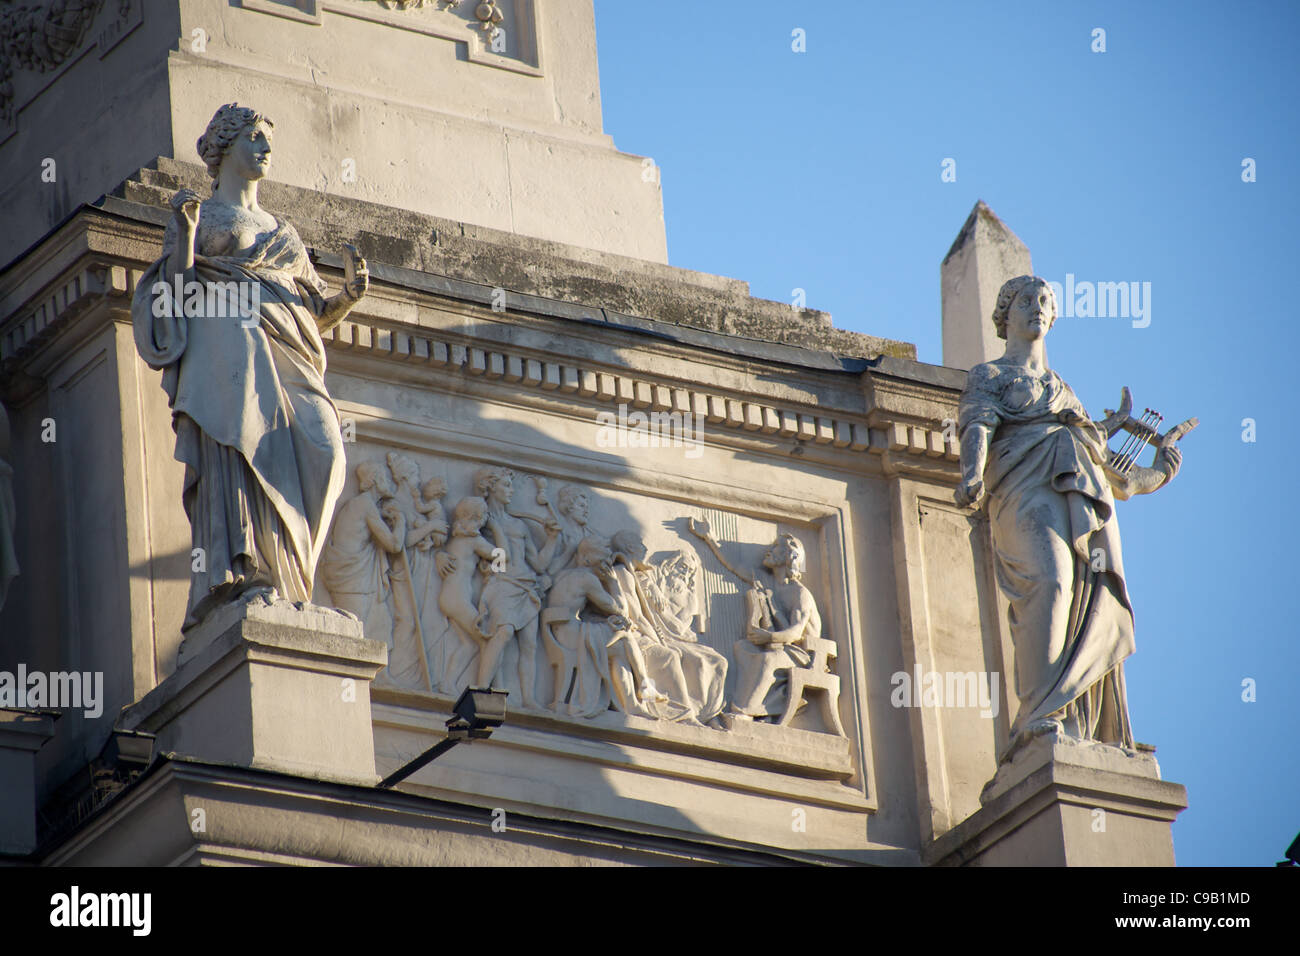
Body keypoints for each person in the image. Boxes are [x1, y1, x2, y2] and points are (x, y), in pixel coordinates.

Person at [131, 103, 368, 630]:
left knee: (326, 449)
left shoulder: (283, 231)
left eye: (267, 140)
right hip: (230, 363)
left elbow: (312, 307)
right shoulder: (203, 217)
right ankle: (253, 574)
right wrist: (186, 238)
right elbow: (177, 298)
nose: (265, 149)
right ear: (225, 147)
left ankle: (292, 572)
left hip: (291, 355)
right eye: (255, 138)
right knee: (243, 448)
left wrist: (348, 297)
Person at [955, 275, 1182, 761]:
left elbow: (1108, 471)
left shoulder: (1063, 390)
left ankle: (1073, 715)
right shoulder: (990, 376)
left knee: (1089, 593)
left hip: (1075, 499)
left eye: (1045, 302)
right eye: (1025, 301)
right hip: (1022, 490)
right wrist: (971, 475)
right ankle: (1038, 712)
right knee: (1052, 583)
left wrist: (1159, 472)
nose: (1037, 308)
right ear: (1005, 315)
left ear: (1053, 316)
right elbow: (977, 424)